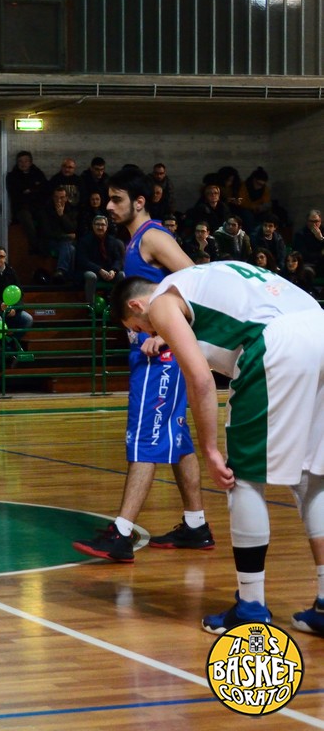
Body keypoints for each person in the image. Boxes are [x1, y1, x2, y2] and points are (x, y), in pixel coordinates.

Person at [114, 263, 324, 635]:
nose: (146, 333)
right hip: (317, 324)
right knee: (313, 476)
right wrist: (169, 337)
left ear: (136, 307)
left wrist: (210, 449)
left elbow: (200, 380)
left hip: (276, 344)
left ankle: (251, 606)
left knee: (240, 477)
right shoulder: (198, 277)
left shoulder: (160, 303)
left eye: (138, 329)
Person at [73, 169, 213, 563]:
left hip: (160, 356)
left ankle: (121, 533)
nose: (109, 205)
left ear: (139, 202)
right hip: (152, 352)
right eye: (108, 198)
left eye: (117, 199)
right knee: (176, 439)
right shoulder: (134, 241)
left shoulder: (153, 236)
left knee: (143, 441)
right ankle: (196, 524)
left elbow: (198, 285)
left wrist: (168, 336)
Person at [76, 214, 125, 305]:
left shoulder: (113, 241)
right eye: (97, 224)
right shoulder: (85, 241)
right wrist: (99, 270)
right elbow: (82, 261)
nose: (100, 227)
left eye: (102, 225)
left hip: (108, 272)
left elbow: (118, 259)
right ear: (93, 226)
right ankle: (90, 306)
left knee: (121, 274)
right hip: (92, 271)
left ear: (106, 226)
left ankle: (118, 305)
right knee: (91, 276)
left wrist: (113, 270)